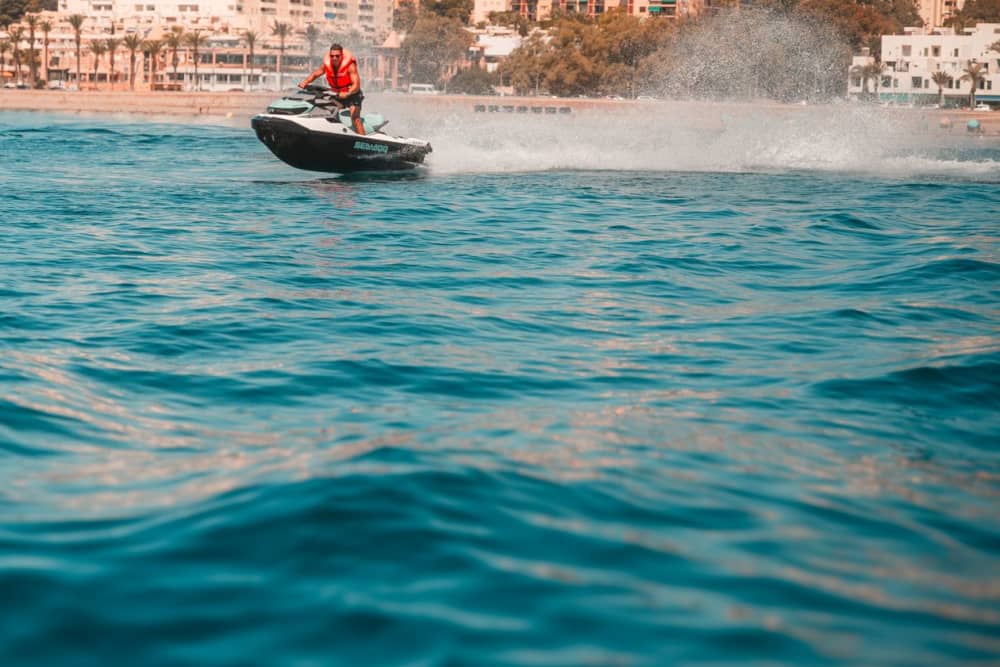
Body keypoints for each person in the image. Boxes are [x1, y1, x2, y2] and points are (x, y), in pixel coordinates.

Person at [299, 43, 365, 135]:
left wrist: (348, 93)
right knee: (326, 112)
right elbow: (315, 74)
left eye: (337, 56)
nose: (334, 58)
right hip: (337, 94)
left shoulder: (350, 66)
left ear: (341, 56)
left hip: (353, 95)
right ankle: (336, 134)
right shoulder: (327, 65)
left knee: (355, 117)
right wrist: (305, 82)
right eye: (332, 56)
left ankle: (364, 142)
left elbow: (356, 85)